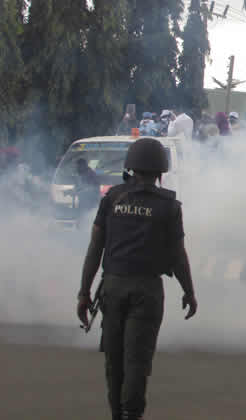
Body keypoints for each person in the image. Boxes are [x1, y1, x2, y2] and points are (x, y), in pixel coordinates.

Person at [76, 137, 198, 420]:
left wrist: (84, 292)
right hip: (147, 291)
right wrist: (189, 292)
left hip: (112, 287)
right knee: (137, 362)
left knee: (114, 362)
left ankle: (117, 415)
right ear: (161, 171)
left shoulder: (113, 198)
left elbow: (96, 248)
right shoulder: (169, 207)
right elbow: (178, 255)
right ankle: (132, 415)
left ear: (130, 166)